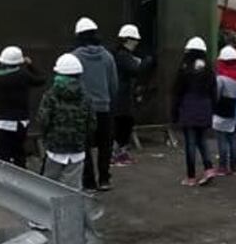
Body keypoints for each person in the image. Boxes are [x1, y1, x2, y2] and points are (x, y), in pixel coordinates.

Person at [72, 17, 119, 192]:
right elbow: (114, 84)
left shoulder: (74, 57)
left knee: (85, 145)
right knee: (104, 145)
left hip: (83, 109)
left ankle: (89, 182)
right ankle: (105, 179)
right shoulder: (107, 56)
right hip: (104, 108)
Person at [36, 54, 94, 191]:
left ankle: (49, 212)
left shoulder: (50, 95)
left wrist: (46, 138)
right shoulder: (85, 96)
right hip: (77, 150)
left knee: (49, 187)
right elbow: (91, 124)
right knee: (73, 189)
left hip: (55, 148)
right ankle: (72, 212)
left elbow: (43, 120)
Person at [0, 45, 45, 168]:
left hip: (1, 123)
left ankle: (5, 180)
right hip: (20, 122)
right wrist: (30, 65)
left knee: (4, 154)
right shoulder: (24, 75)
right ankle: (21, 178)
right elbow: (42, 79)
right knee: (19, 153)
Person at [173, 37, 217, 187]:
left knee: (190, 143)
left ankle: (191, 176)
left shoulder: (185, 68)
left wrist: (175, 111)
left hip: (189, 107)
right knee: (202, 140)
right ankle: (209, 168)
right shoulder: (209, 69)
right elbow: (214, 91)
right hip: (205, 106)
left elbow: (177, 91)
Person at [112, 24, 154, 166]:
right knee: (123, 125)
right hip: (121, 97)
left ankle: (120, 153)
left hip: (123, 96)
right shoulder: (123, 56)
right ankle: (117, 154)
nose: (137, 43)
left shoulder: (121, 55)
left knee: (125, 124)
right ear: (129, 40)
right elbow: (136, 70)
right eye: (135, 40)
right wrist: (147, 62)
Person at [214, 45, 236, 175]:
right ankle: (234, 166)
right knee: (234, 140)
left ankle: (223, 167)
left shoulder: (221, 79)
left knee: (222, 141)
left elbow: (216, 95)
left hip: (222, 113)